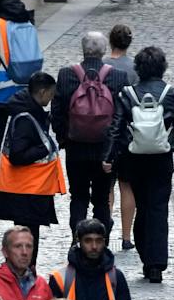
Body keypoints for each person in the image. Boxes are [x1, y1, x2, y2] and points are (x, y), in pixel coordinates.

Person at [104, 44, 174, 283]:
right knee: (158, 208)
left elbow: (116, 127)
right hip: (161, 158)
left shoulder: (127, 94)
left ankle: (145, 254)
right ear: (162, 68)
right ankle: (156, 263)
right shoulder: (171, 94)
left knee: (142, 205)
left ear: (138, 68)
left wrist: (109, 156)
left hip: (134, 158)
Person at [53, 30, 134, 231]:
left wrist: (63, 138)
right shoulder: (118, 77)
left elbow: (57, 111)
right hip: (105, 150)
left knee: (78, 197)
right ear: (104, 50)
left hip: (76, 147)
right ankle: (101, 241)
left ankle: (77, 240)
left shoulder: (66, 75)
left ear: (83, 49)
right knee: (102, 199)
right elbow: (123, 115)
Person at [0, 0, 41, 195]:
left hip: (1, 89)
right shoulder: (27, 21)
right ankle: (21, 180)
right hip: (25, 89)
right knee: (22, 135)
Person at [0, 71, 65, 246]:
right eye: (51, 93)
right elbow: (18, 155)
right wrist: (44, 148)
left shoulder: (28, 112)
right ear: (42, 92)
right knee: (28, 238)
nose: (51, 98)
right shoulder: (26, 119)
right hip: (27, 191)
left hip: (28, 190)